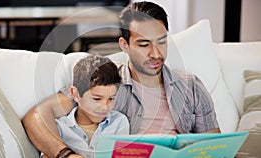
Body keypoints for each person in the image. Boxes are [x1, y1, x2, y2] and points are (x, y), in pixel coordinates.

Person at [22, 1, 221, 158]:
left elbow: (215, 146)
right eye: (144, 45)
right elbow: (37, 116)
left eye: (162, 42)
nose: (156, 53)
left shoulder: (190, 85)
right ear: (124, 45)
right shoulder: (105, 79)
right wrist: (66, 155)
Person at [40, 55, 129, 158]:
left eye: (111, 99)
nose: (105, 106)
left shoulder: (119, 122)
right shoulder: (59, 128)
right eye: (96, 99)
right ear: (76, 94)